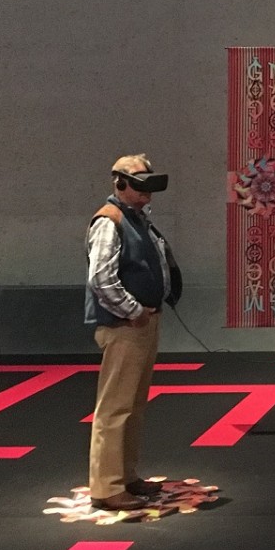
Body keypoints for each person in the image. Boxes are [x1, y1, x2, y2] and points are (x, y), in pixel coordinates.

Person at [85, 153, 181, 511]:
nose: (147, 192)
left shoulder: (135, 219)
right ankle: (107, 486)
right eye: (140, 184)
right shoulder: (109, 221)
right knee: (115, 407)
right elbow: (101, 279)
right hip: (125, 325)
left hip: (140, 322)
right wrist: (134, 311)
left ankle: (125, 475)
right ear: (120, 183)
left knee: (133, 405)